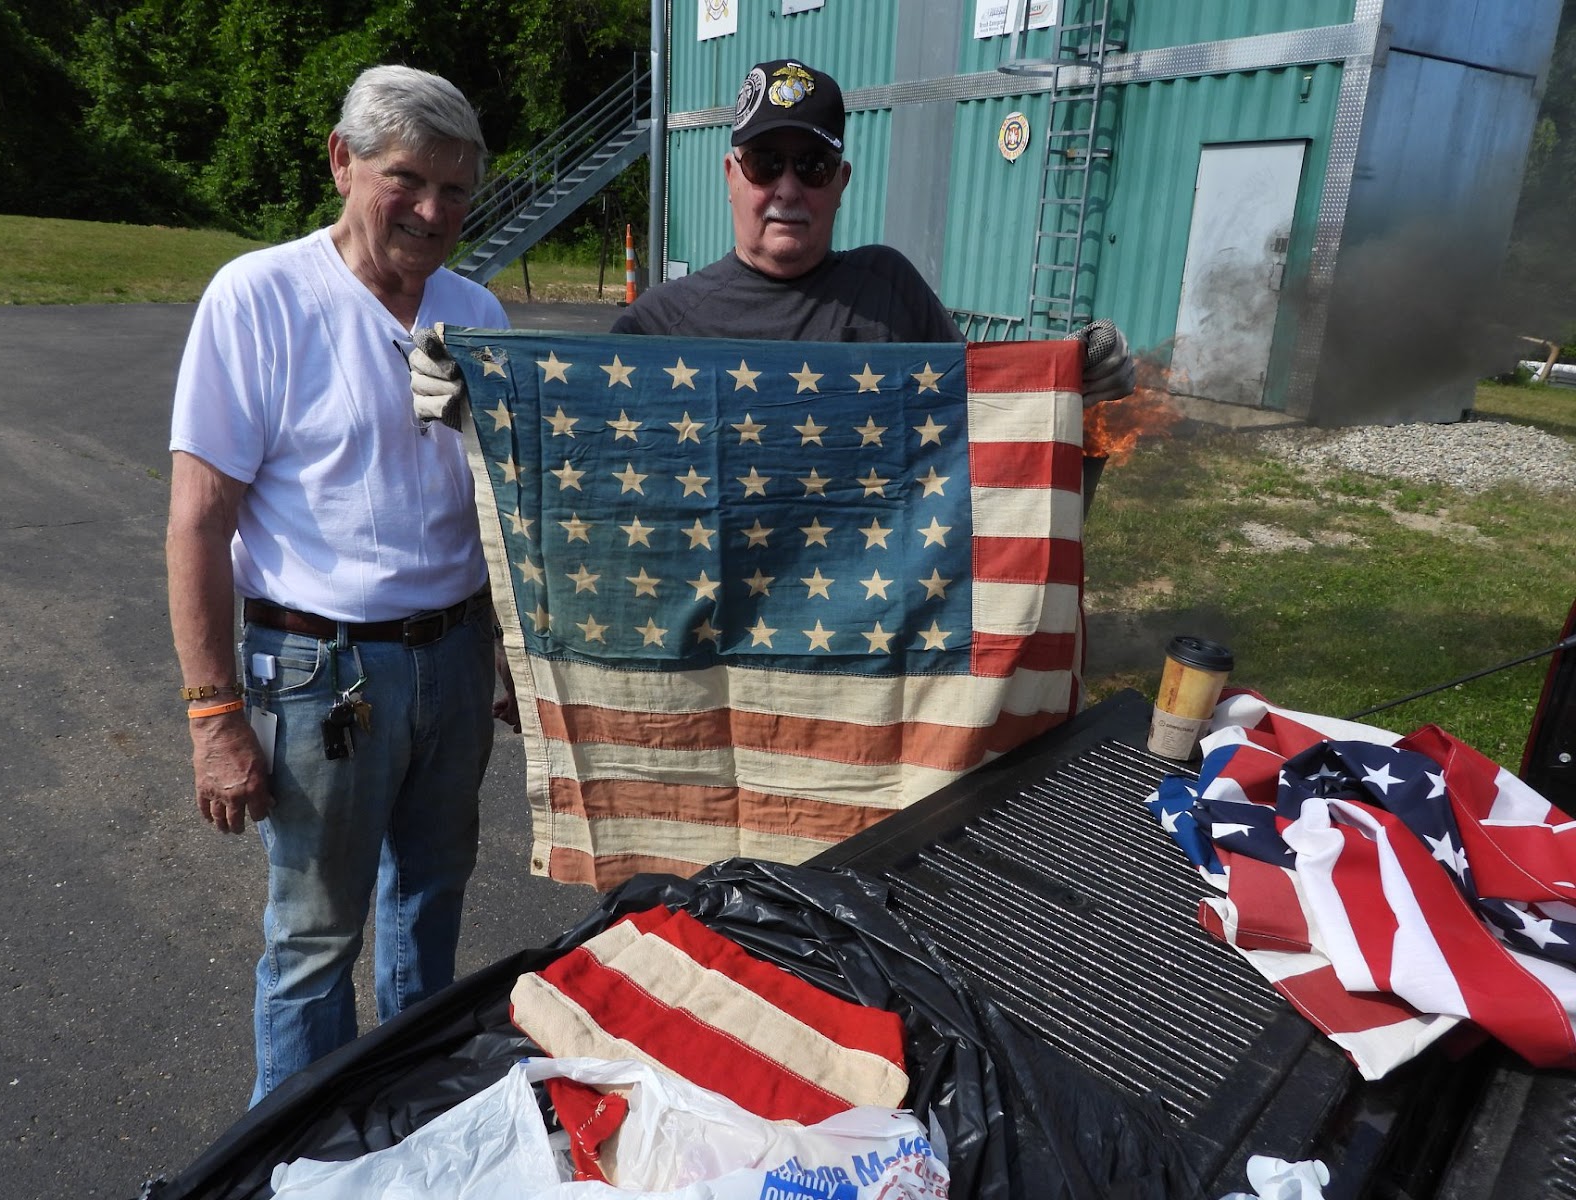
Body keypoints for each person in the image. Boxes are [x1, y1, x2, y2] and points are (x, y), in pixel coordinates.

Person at [165, 64, 510, 1105]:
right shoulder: (261, 297)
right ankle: (298, 1151)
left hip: (455, 653)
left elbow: (498, 502)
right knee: (314, 938)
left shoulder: (474, 309)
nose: (432, 211)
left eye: (455, 190)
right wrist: (214, 715)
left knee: (431, 903)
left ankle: (414, 1117)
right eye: (408, 178)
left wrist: (507, 651)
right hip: (321, 671)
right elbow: (198, 519)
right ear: (342, 162)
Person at [411, 57, 1132, 416]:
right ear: (732, 175)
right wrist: (481, 397)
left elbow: (982, 411)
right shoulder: (657, 324)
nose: (788, 188)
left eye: (811, 166)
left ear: (841, 182)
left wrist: (1076, 384)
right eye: (765, 163)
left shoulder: (890, 290)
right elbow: (575, 438)